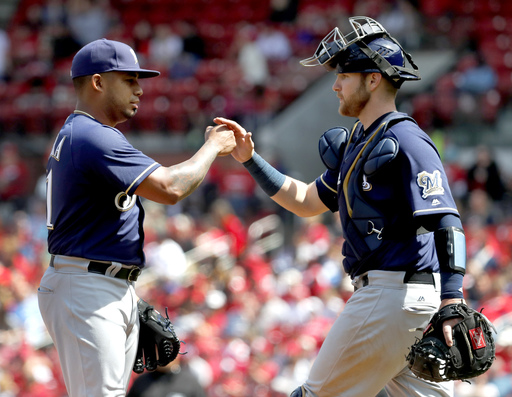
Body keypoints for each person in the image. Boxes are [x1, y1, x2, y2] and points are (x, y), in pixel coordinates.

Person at [216, 16, 466, 397]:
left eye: (344, 75)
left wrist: (453, 298)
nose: (334, 85)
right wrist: (251, 160)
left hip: (391, 294)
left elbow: (446, 220)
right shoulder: (362, 141)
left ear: (373, 79)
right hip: (405, 302)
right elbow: (305, 201)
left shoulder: (406, 138)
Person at [37, 38, 235, 397]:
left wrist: (122, 289)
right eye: (129, 80)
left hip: (100, 281)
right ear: (98, 82)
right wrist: (213, 147)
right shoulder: (92, 137)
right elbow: (172, 188)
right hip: (87, 285)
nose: (140, 90)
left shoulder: (82, 134)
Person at [127, 355, 207, 397]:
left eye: (170, 351)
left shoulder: (190, 383)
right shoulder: (141, 382)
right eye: (159, 351)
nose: (165, 356)